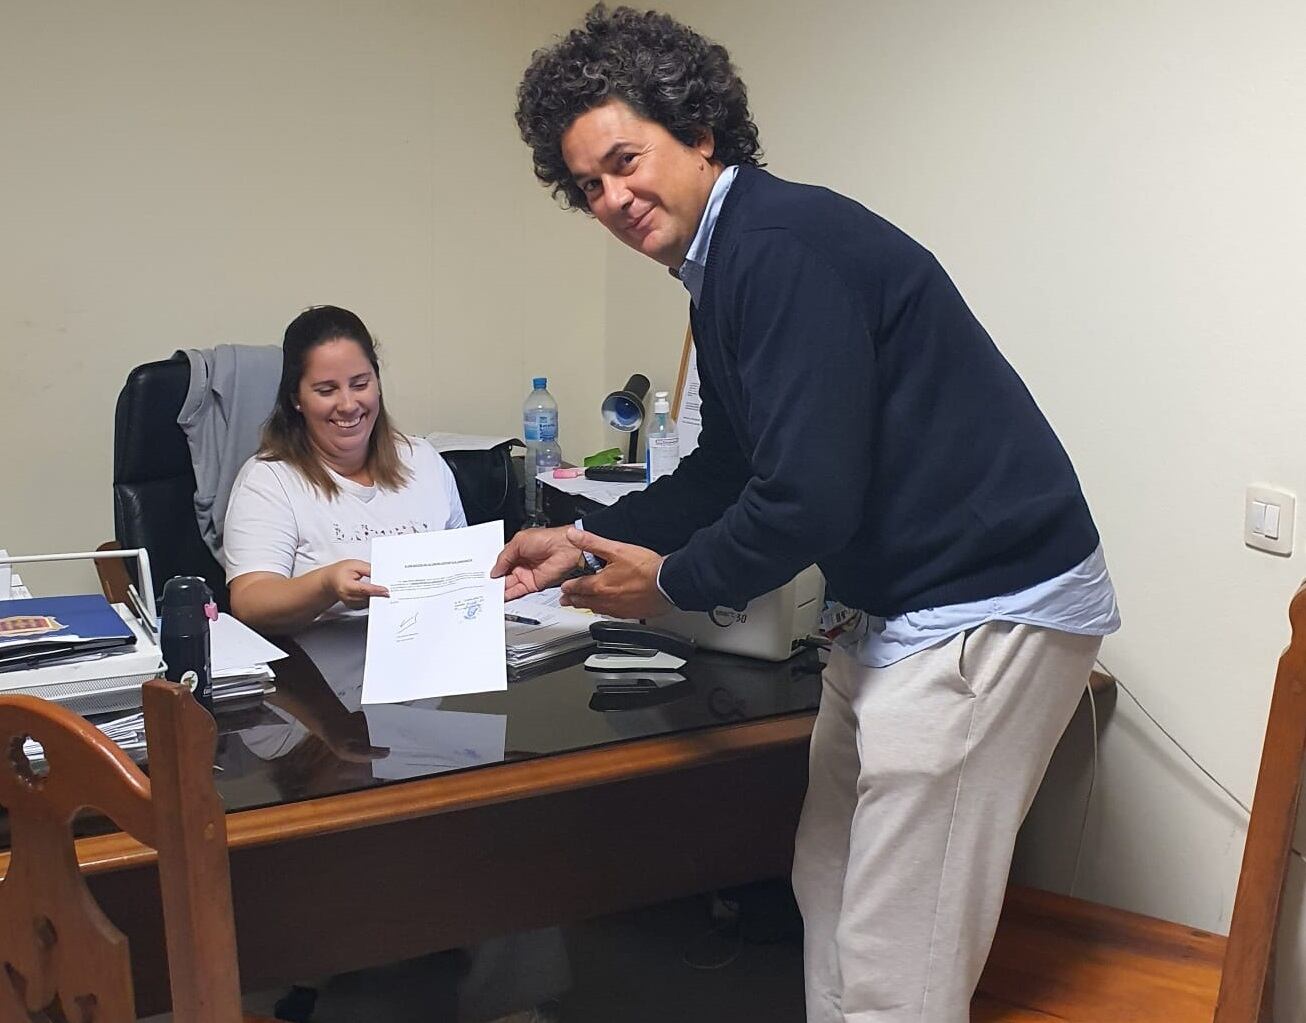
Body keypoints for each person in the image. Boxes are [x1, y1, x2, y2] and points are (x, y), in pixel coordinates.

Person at [498, 7, 1120, 1022]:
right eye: (588, 186)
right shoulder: (726, 264)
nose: (611, 199)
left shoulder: (776, 248)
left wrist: (671, 587)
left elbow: (807, 499)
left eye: (624, 161)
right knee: (825, 889)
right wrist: (579, 538)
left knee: (894, 961)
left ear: (697, 132)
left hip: (986, 602)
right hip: (896, 609)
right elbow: (732, 467)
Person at [223, 304, 466, 636]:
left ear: (377, 382)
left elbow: (466, 574)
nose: (349, 404)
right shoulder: (268, 481)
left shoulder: (422, 461)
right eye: (326, 390)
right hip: (321, 681)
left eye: (360, 383)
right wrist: (325, 585)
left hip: (433, 663)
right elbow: (250, 602)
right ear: (296, 398)